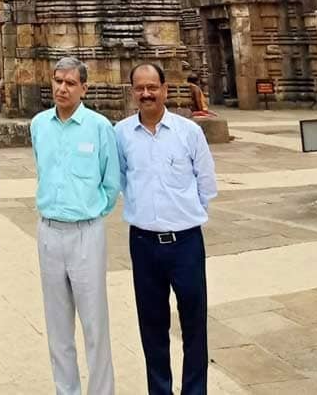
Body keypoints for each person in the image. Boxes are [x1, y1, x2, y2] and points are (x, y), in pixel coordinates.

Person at [115, 63, 217, 395]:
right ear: (132, 92)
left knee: (194, 321)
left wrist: (187, 215)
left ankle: (194, 391)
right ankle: (159, 390)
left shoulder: (189, 132)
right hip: (143, 242)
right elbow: (119, 179)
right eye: (140, 88)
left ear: (165, 90)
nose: (146, 93)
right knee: (152, 324)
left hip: (186, 241)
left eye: (152, 87)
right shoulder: (121, 134)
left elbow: (206, 183)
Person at [30, 57, 119, 395]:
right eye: (57, 81)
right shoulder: (39, 125)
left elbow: (111, 185)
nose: (62, 88)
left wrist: (89, 212)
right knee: (57, 325)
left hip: (86, 232)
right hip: (49, 231)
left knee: (94, 323)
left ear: (84, 87)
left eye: (69, 83)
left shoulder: (99, 127)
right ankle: (66, 390)